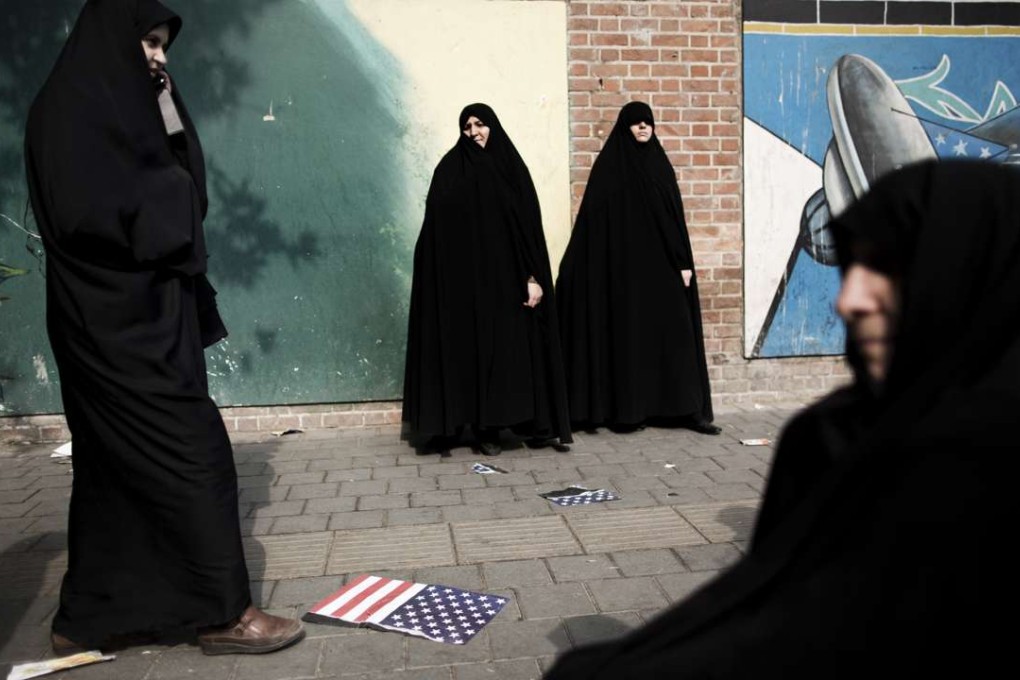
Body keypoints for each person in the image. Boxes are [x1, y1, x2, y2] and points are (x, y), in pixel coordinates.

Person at [543, 159, 1017, 678]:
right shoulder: (829, 433)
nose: (850, 300)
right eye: (852, 266)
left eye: (887, 268)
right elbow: (772, 604)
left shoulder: (976, 462)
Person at [24, 0, 303, 656]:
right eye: (148, 43)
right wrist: (166, 194)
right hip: (110, 325)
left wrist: (168, 110)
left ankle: (89, 617)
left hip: (152, 316)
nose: (158, 57)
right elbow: (91, 215)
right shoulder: (68, 112)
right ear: (113, 39)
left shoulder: (130, 107)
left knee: (114, 474)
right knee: (195, 456)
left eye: (163, 46)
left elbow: (186, 184)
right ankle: (225, 612)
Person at [402, 103, 572, 456]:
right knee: (465, 353)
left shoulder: (511, 167)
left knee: (503, 353)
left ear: (492, 125)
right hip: (461, 284)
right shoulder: (450, 168)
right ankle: (460, 427)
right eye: (467, 127)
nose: (474, 132)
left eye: (480, 124)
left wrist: (532, 276)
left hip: (506, 282)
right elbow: (435, 227)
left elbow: (527, 230)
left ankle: (499, 427)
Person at [555, 102, 719, 434]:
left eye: (648, 122)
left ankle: (686, 410)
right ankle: (630, 413)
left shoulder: (660, 165)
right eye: (635, 122)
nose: (643, 127)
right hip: (624, 275)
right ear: (624, 127)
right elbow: (592, 224)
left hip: (663, 270)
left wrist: (683, 262)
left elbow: (673, 220)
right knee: (629, 339)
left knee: (675, 337)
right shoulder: (609, 168)